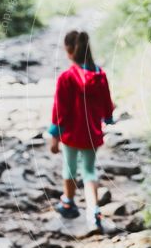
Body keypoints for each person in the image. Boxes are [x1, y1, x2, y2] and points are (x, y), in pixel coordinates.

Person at [48, 30, 115, 231]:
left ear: (69, 51)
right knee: (89, 171)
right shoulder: (99, 74)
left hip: (71, 133)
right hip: (92, 132)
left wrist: (54, 135)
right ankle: (94, 212)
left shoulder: (66, 77)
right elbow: (106, 101)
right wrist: (108, 118)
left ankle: (68, 202)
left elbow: (60, 109)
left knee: (69, 168)